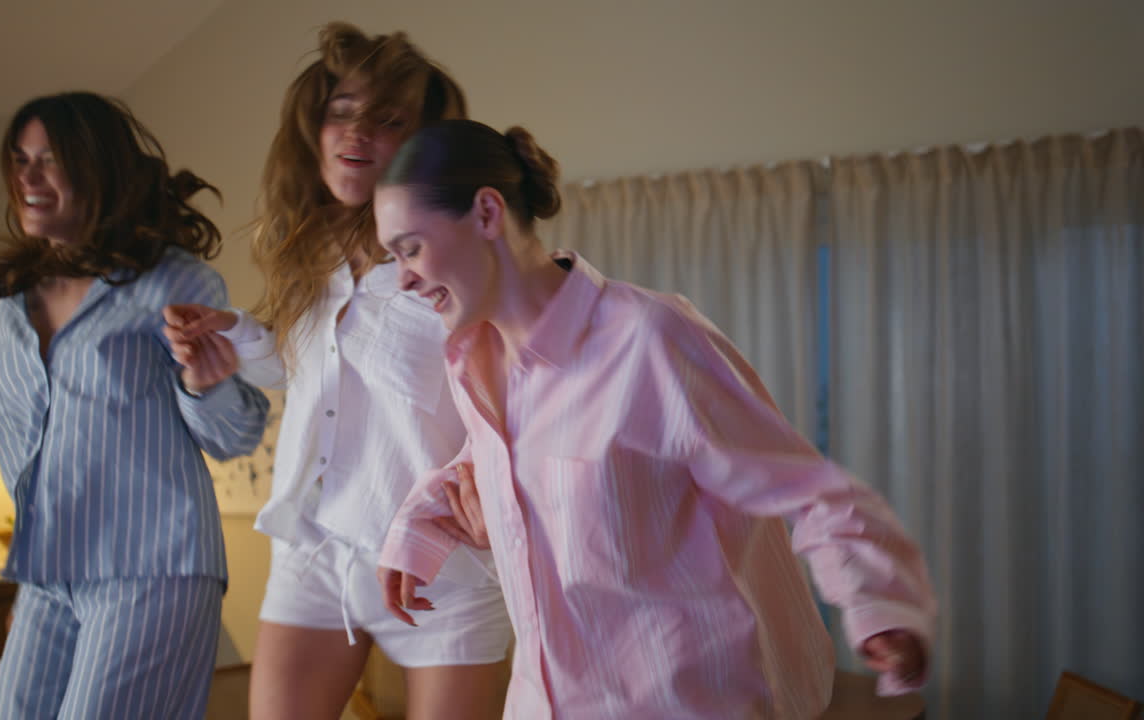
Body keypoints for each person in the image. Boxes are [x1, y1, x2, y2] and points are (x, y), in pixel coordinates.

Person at [373, 119, 938, 719]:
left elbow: (806, 488)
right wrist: (419, 528)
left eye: (410, 247)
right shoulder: (474, 361)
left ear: (487, 214)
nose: (402, 277)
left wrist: (878, 606)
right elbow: (489, 463)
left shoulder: (650, 339)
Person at [162, 23, 511, 720]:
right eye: (341, 112)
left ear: (422, 143)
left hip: (444, 564)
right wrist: (237, 339)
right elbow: (312, 379)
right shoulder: (311, 253)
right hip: (315, 552)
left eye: (387, 120)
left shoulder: (459, 257)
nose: (356, 134)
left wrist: (488, 492)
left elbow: (518, 391)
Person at [0, 91, 270, 719]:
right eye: (20, 159)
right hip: (51, 574)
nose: (28, 176)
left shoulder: (173, 280)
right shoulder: (15, 301)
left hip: (154, 566)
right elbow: (23, 443)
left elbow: (236, 433)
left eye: (50, 158)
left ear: (98, 168)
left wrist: (206, 383)